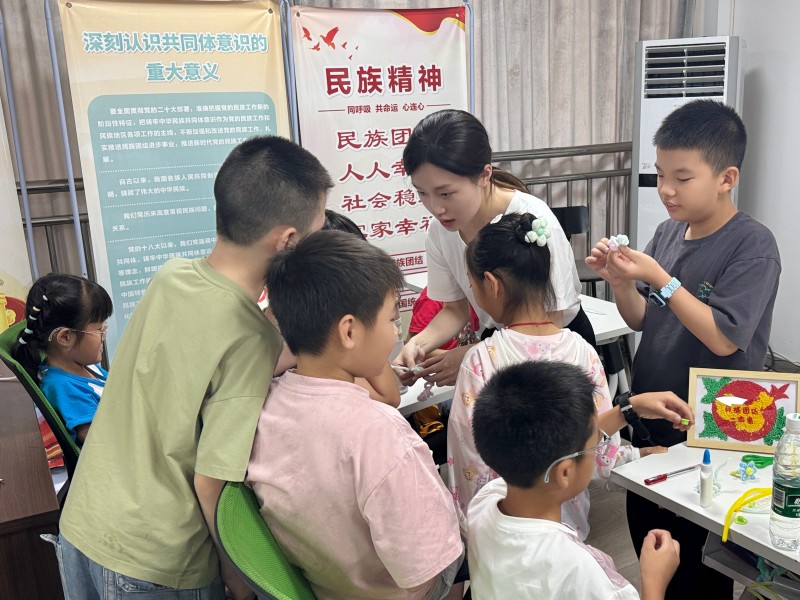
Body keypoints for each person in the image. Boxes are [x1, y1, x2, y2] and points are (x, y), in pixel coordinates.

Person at [56, 136, 333, 600]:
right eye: (317, 229)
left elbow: (200, 362)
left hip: (85, 523)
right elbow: (211, 481)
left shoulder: (172, 276)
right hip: (156, 559)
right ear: (288, 240)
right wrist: (237, 575)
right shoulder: (249, 338)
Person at [586, 99, 781, 599]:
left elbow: (723, 336)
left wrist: (660, 277)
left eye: (682, 177)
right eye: (660, 174)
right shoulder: (668, 232)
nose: (666, 189)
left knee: (699, 559)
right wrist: (620, 281)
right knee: (651, 536)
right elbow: (642, 319)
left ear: (726, 178)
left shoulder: (753, 245)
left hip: (712, 423)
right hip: (653, 411)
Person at [247, 230, 464, 600]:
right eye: (392, 320)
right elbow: (423, 570)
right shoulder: (379, 433)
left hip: (327, 585)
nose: (395, 333)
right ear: (349, 331)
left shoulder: (266, 404)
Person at [447, 212, 691, 537]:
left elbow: (470, 462)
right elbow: (596, 449)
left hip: (501, 527)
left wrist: (473, 527)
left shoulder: (481, 360)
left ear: (491, 284)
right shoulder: (581, 351)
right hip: (566, 525)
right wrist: (636, 455)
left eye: (472, 283)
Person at [396, 109, 593, 387]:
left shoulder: (533, 219)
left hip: (557, 348)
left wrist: (476, 355)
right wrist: (418, 344)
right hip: (499, 342)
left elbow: (551, 320)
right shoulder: (439, 230)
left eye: (446, 193)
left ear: (484, 174)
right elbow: (455, 309)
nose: (436, 208)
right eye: (422, 193)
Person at [467, 361, 681, 600]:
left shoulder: (484, 501)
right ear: (565, 473)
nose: (598, 445)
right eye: (594, 445)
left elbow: (562, 445)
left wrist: (629, 410)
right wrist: (654, 581)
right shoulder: (581, 573)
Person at [11, 273, 113, 444]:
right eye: (99, 330)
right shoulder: (64, 388)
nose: (104, 336)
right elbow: (100, 445)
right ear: (65, 337)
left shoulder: (85, 367)